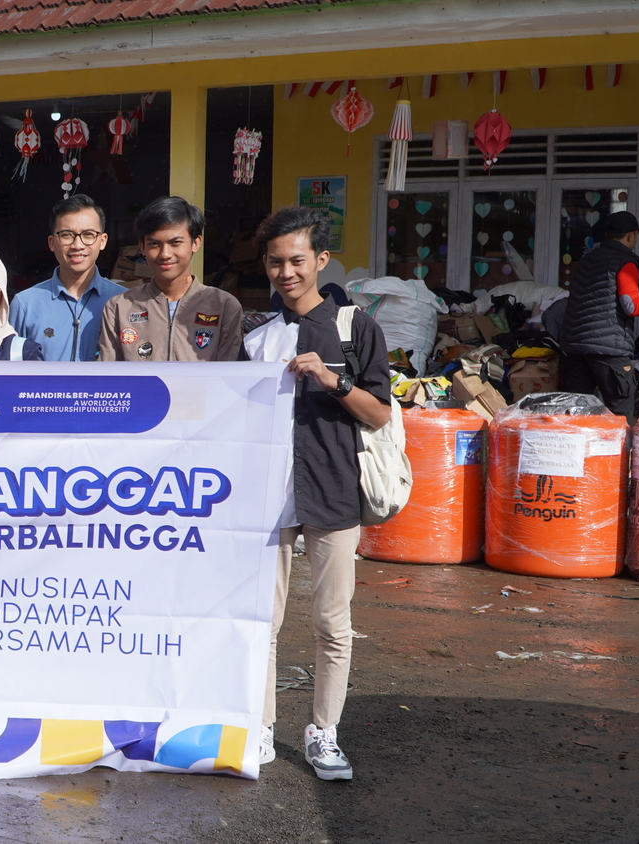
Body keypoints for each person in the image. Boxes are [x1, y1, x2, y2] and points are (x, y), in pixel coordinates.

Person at [243, 206, 393, 782]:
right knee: (262, 620)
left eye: (297, 261)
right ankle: (259, 726)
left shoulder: (357, 329)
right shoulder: (257, 338)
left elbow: (379, 414)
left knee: (332, 623)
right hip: (269, 496)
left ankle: (324, 732)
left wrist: (334, 379)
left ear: (321, 260)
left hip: (334, 491)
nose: (286, 272)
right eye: (275, 262)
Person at [97, 196, 243, 362]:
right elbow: (109, 372)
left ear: (195, 243)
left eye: (175, 243)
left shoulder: (224, 306)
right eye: (154, 244)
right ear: (142, 246)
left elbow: (229, 373)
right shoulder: (120, 307)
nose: (165, 254)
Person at [559, 210, 639, 419]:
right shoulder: (625, 263)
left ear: (607, 235)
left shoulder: (587, 259)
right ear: (631, 236)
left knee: (576, 414)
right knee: (620, 414)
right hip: (608, 350)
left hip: (576, 347)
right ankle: (619, 443)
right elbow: (632, 306)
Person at [9, 195, 123, 361]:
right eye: (66, 235)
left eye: (88, 234)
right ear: (51, 242)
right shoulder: (26, 304)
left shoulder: (122, 301)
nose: (77, 245)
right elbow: (11, 368)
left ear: (103, 241)